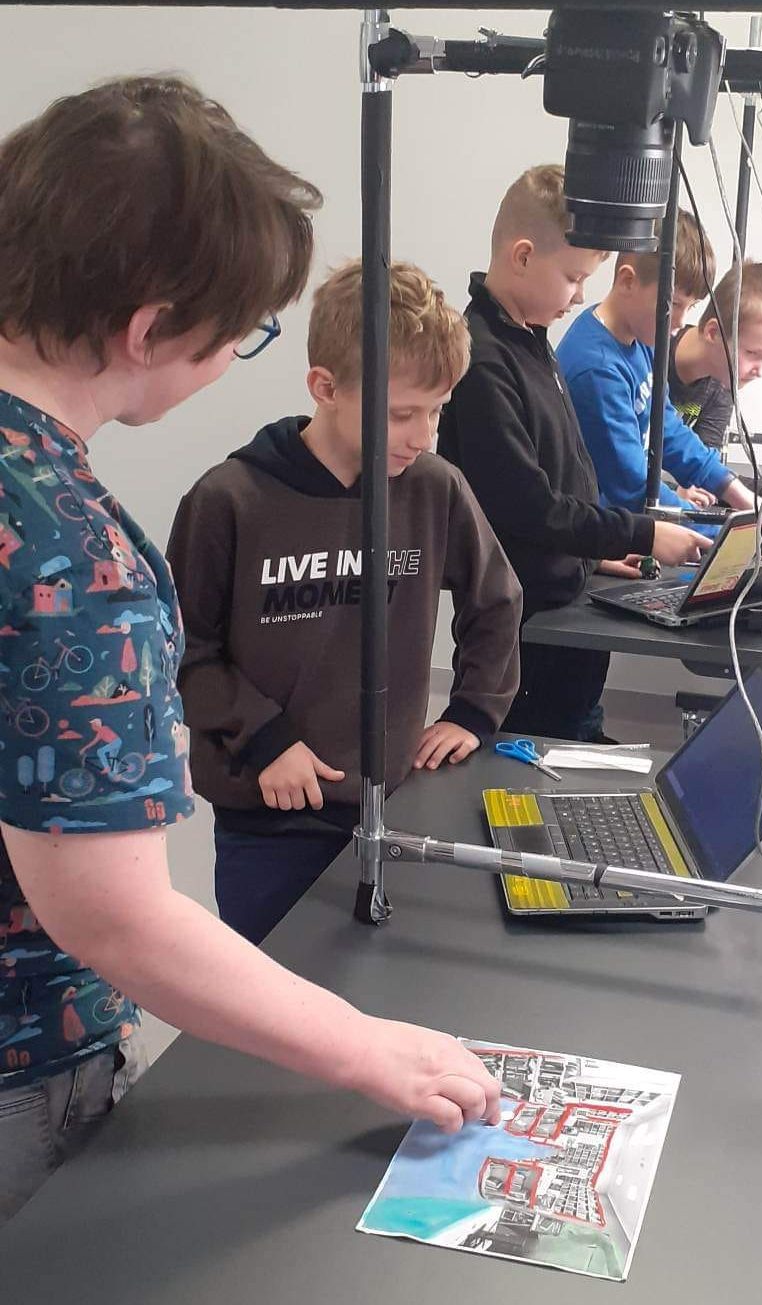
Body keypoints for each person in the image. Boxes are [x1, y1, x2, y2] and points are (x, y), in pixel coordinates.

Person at [0, 77, 499, 1229]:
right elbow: (118, 918)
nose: (235, 355)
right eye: (241, 333)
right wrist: (368, 1049)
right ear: (149, 329)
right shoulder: (65, 551)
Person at [168, 260, 522, 944]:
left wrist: (475, 709)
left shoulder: (435, 487)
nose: (423, 435)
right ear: (325, 388)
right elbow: (184, 651)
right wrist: (264, 739)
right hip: (269, 816)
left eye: (437, 411)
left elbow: (497, 600)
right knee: (271, 988)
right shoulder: (228, 500)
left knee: (381, 988)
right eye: (401, 414)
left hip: (392, 807)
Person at [437, 164, 710, 743]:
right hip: (522, 631)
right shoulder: (483, 361)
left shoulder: (531, 339)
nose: (581, 295)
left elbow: (566, 477)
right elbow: (528, 507)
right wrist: (641, 533)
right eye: (573, 277)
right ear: (522, 256)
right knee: (538, 761)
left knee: (582, 732)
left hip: (563, 607)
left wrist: (594, 555)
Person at [558, 213, 762, 517]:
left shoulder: (641, 337)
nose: (681, 321)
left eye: (690, 306)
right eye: (673, 304)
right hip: (600, 526)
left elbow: (667, 429)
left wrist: (746, 500)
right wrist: (721, 531)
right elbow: (634, 488)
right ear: (628, 281)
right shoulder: (597, 369)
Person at [669, 260, 762, 453]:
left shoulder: (722, 386)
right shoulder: (649, 353)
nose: (760, 371)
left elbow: (705, 462)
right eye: (752, 353)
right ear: (713, 333)